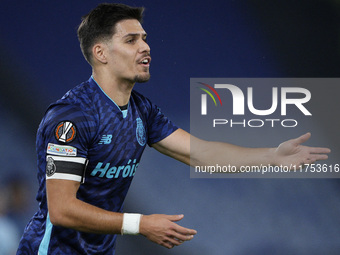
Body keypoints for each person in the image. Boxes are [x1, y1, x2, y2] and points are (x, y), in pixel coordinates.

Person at [16, 3, 330, 254]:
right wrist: (141, 224)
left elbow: (202, 154)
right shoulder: (73, 117)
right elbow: (61, 209)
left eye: (144, 38)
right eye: (131, 40)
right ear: (100, 53)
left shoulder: (142, 111)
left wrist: (271, 157)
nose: (145, 47)